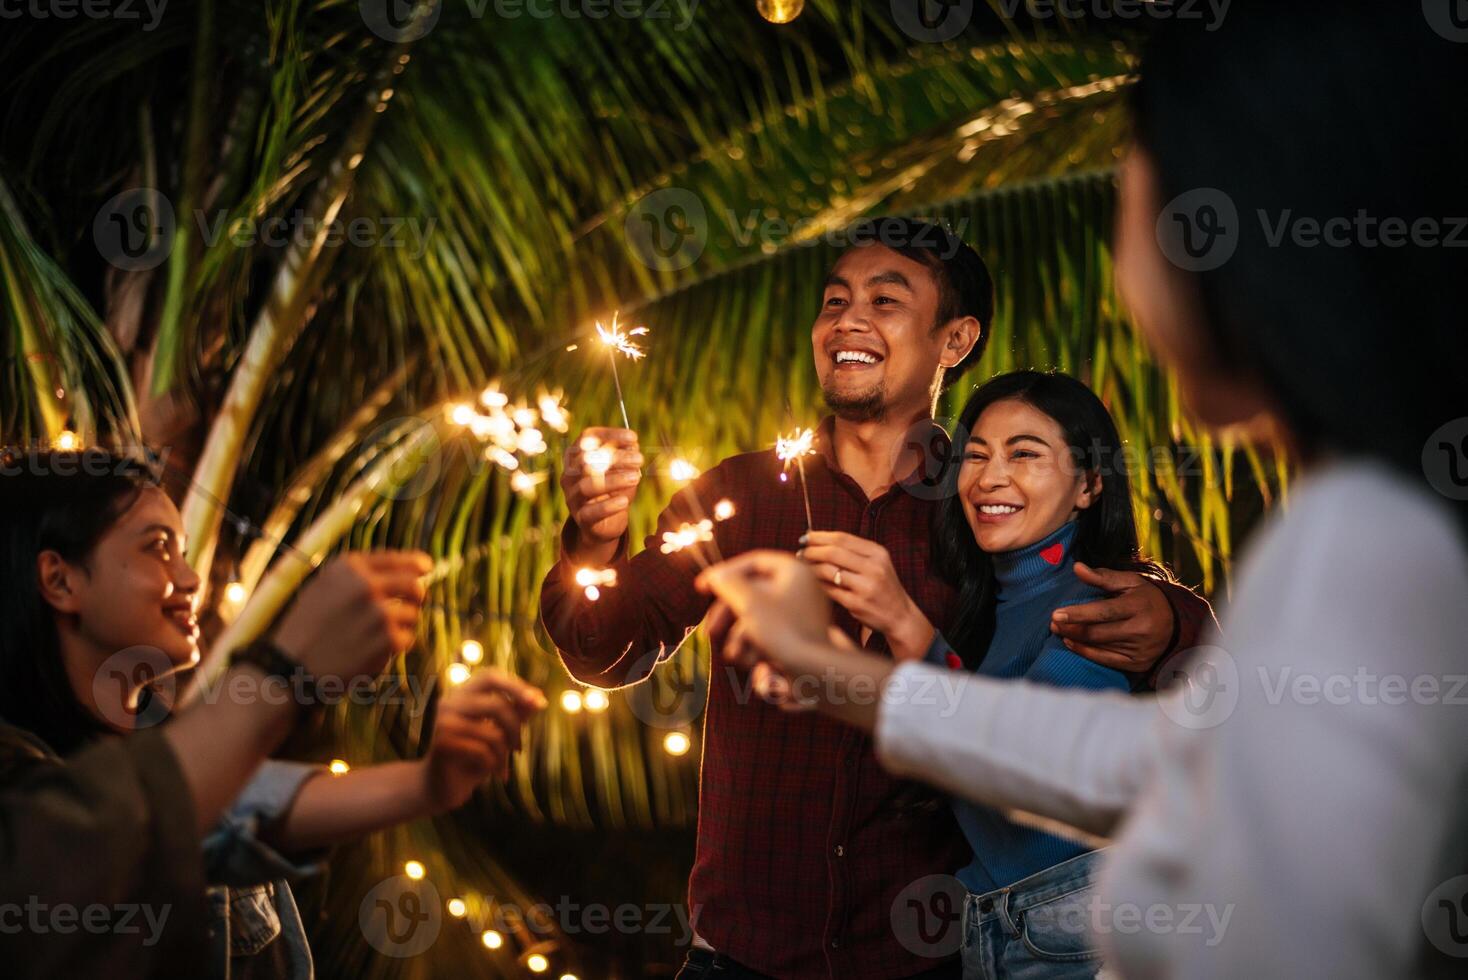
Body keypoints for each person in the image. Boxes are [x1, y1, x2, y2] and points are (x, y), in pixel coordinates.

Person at [695, 5, 1468, 979]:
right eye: (980, 453)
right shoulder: (1380, 520)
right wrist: (830, 663)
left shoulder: (1365, 537)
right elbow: (1162, 765)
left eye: (1135, 188)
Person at [541, 219, 1213, 978]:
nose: (847, 320)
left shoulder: (986, 501)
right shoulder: (737, 494)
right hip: (739, 957)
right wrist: (593, 544)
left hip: (924, 959)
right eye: (834, 302)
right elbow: (603, 649)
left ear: (954, 341)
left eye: (884, 301)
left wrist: (1170, 621)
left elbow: (1085, 588)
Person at [0, 451, 546, 978]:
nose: (190, 581)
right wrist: (287, 668)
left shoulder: (204, 773)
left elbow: (247, 808)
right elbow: (101, 835)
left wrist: (430, 782)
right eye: (157, 548)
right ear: (60, 580)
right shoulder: (24, 788)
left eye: (184, 551)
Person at [796, 368, 1170, 979]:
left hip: (1076, 925)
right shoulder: (989, 605)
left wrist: (901, 624)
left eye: (1025, 454)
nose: (990, 477)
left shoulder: (1099, 605)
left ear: (1089, 485)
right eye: (975, 455)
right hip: (996, 922)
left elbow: (1026, 767)